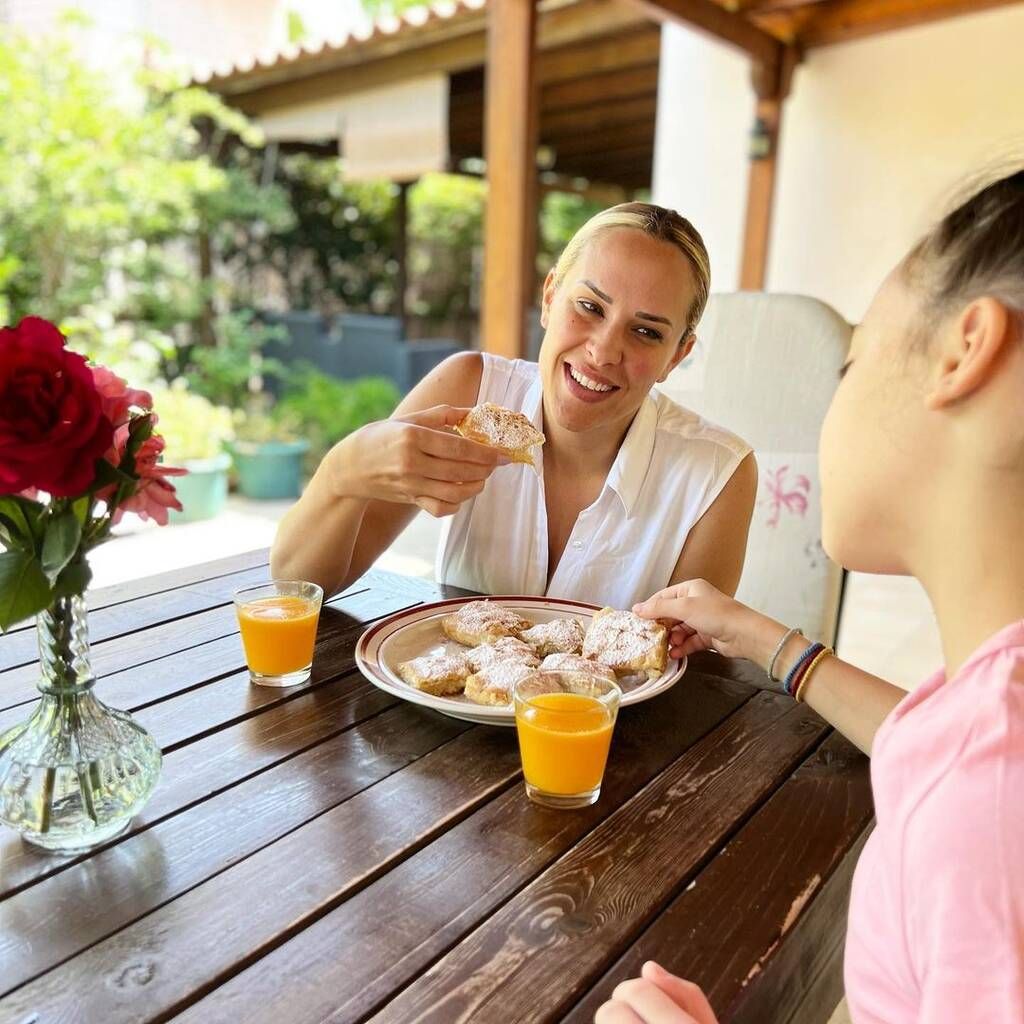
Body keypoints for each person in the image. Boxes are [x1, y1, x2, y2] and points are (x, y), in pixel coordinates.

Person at [596, 168, 1024, 1023]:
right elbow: (932, 742)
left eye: (849, 364)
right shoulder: (985, 732)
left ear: (964, 351)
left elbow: (975, 785)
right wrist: (761, 637)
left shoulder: (986, 814)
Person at [272, 203, 758, 609]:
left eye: (646, 332)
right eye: (590, 307)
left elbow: (684, 668)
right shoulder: (469, 390)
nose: (605, 351)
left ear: (677, 356)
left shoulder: (715, 475)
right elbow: (298, 586)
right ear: (549, 298)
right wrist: (344, 472)